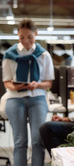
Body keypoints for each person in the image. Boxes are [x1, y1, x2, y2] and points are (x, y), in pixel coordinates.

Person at [2, 18, 54, 166]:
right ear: (18, 36)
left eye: (30, 37)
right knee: (20, 142)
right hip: (15, 99)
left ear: (36, 34)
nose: (26, 41)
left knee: (38, 141)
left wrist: (37, 85)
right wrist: (16, 86)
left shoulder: (44, 55)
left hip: (37, 98)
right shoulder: (9, 55)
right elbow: (6, 82)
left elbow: (48, 83)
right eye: (21, 37)